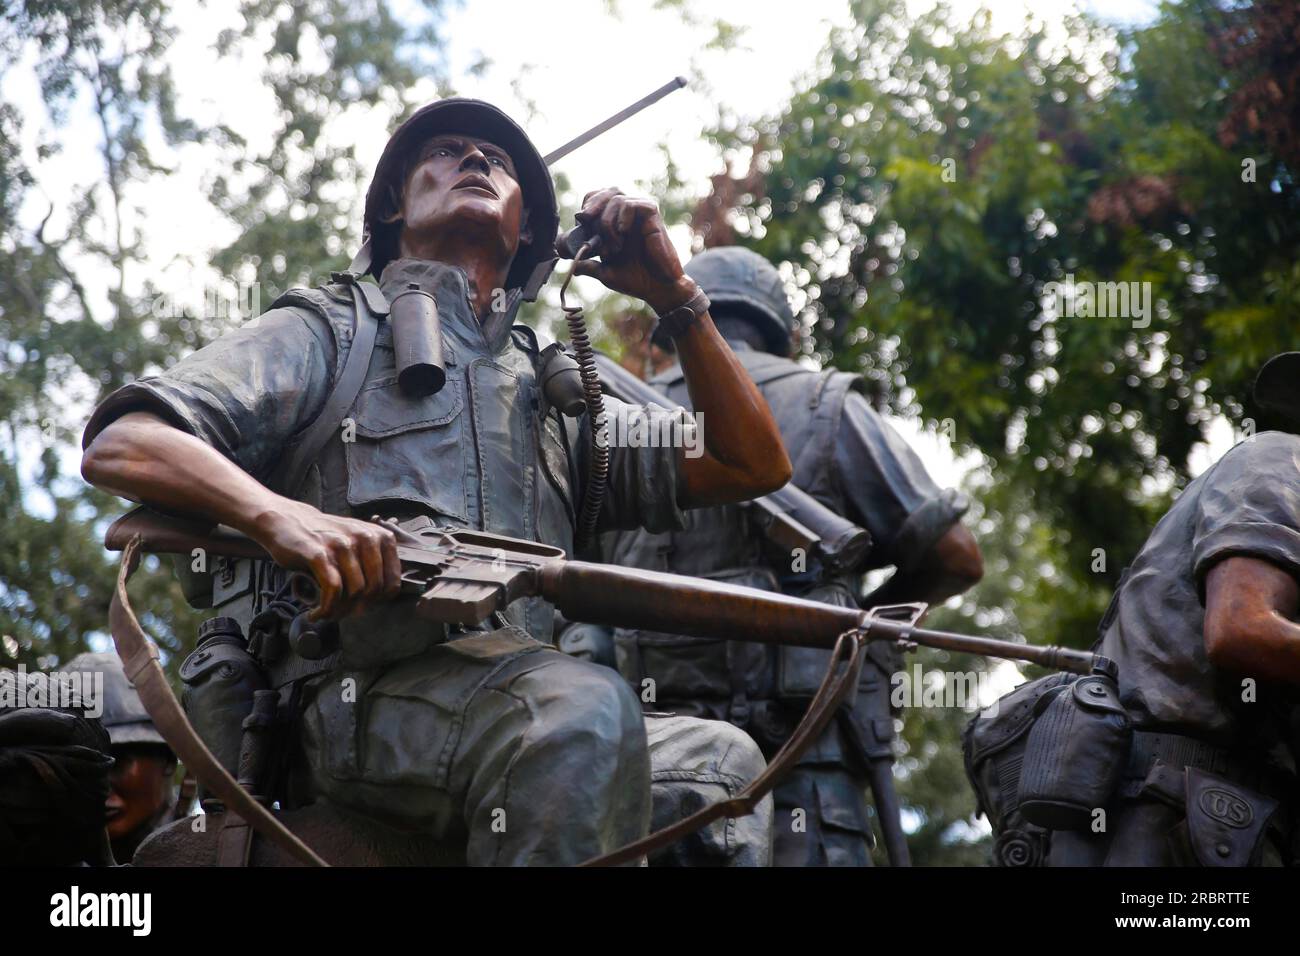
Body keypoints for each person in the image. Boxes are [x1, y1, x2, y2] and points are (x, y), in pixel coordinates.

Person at [80, 98, 791, 865]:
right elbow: (124, 442)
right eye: (448, 150)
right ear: (393, 203)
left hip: (524, 692)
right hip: (355, 701)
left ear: (530, 231)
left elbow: (750, 464)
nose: (478, 161)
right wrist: (282, 517)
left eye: (501, 162)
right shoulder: (332, 329)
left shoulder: (557, 393)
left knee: (717, 767)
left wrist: (673, 298)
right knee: (577, 716)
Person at [562, 246, 983, 865]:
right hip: (805, 780)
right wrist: (853, 625)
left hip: (658, 788)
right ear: (780, 328)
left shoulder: (618, 426)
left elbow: (576, 596)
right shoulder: (827, 405)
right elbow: (956, 557)